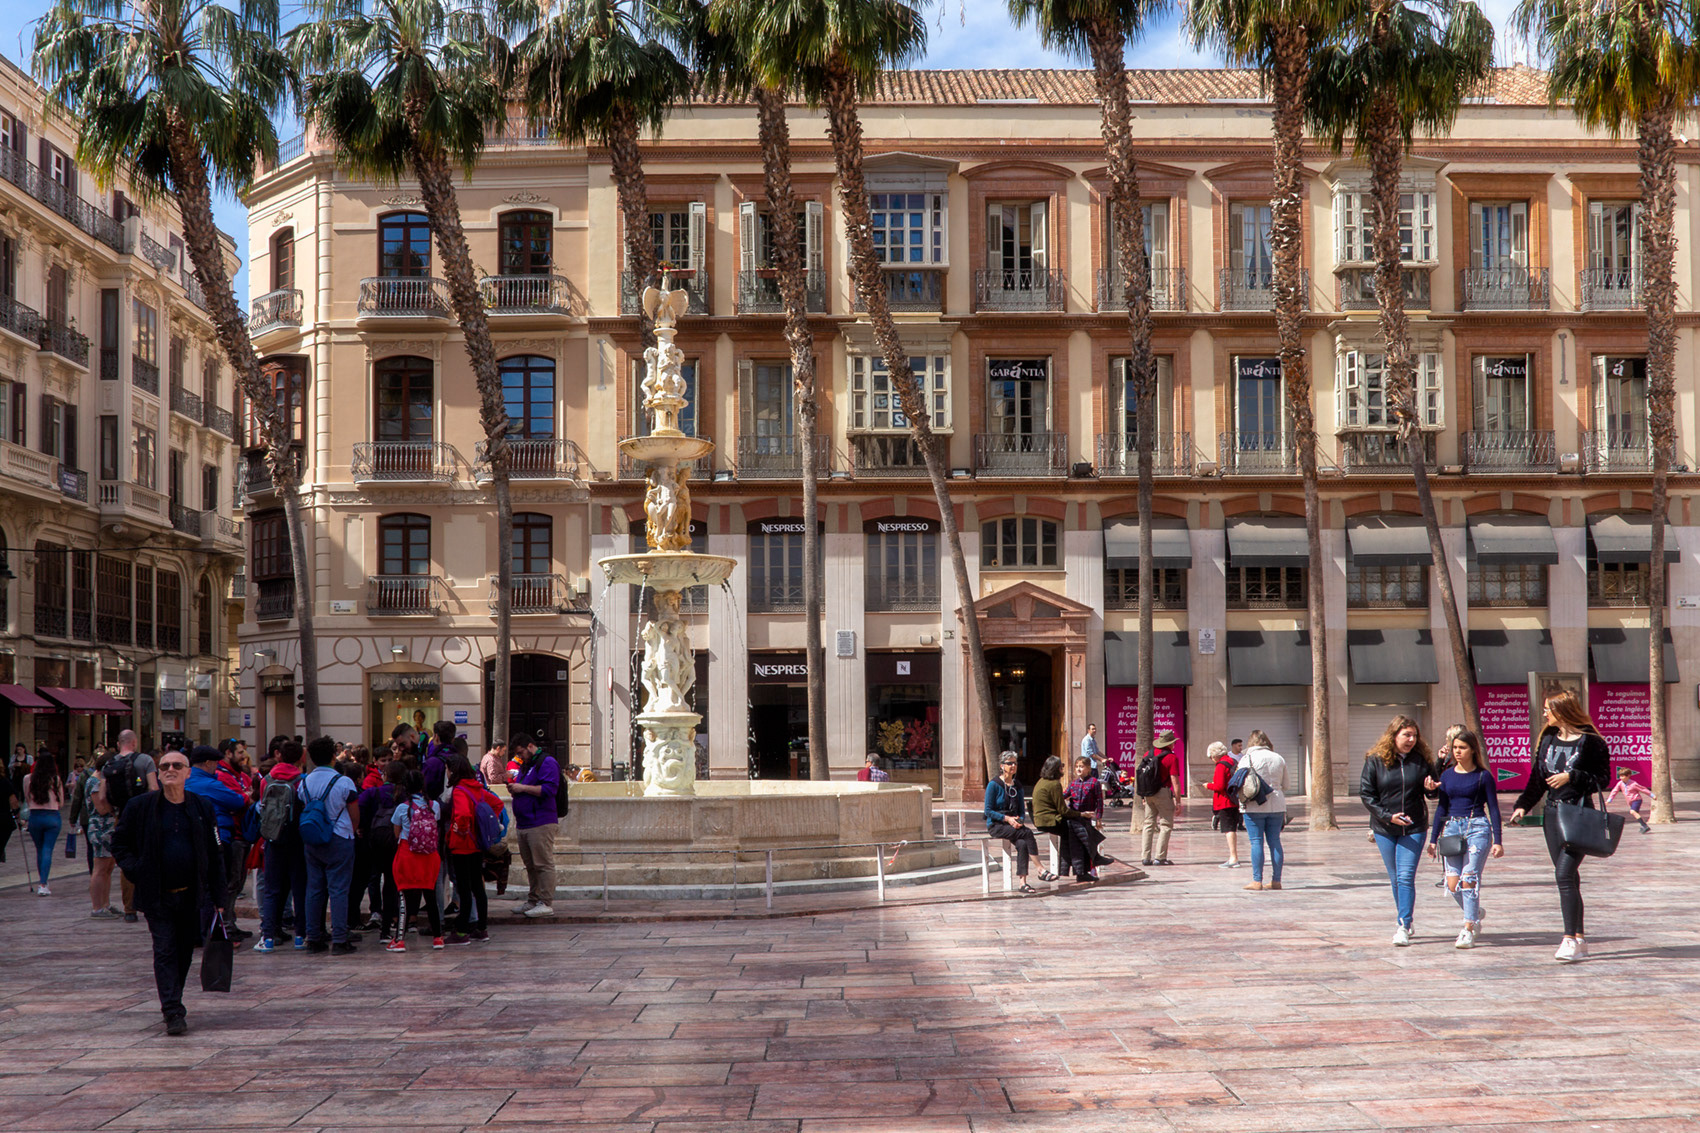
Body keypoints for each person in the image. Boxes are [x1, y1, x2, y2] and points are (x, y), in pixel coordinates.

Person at [110, 750, 226, 1036]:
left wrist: (220, 898)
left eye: (176, 765)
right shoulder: (140, 807)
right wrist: (137, 870)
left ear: (188, 772)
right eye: (164, 766)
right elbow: (120, 844)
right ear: (158, 773)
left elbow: (214, 853)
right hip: (157, 896)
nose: (170, 769)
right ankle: (172, 1010)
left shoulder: (202, 807)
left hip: (190, 895)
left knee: (184, 952)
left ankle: (174, 998)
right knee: (164, 950)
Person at [1510, 690, 1612, 963]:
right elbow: (1537, 779)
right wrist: (1523, 805)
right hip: (1552, 816)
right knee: (1569, 877)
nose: (1544, 713)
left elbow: (1604, 779)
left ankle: (1568, 939)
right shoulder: (1547, 739)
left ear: (1562, 711)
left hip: (1578, 814)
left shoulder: (1591, 742)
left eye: (1548, 709)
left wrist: (1572, 776)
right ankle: (1579, 938)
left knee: (1564, 874)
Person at [1360, 715, 1436, 946]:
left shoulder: (1421, 761)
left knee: (1405, 876)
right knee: (1395, 878)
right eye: (1406, 735)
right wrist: (1387, 816)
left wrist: (1432, 789)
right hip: (1385, 828)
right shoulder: (1375, 760)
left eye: (1414, 736)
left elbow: (1433, 792)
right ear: (1394, 735)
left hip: (1414, 826)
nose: (1411, 740)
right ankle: (1405, 919)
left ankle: (1403, 924)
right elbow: (1367, 794)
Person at [1426, 728, 1502, 949]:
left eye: (1462, 748)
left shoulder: (1483, 776)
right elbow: (1441, 808)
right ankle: (1475, 912)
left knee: (1469, 878)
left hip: (1477, 827)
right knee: (1452, 884)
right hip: (1451, 828)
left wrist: (1498, 840)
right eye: (1455, 748)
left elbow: (1494, 808)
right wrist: (1433, 839)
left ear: (1473, 750)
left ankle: (1468, 928)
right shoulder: (1447, 776)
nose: (1457, 752)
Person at [298, 736, 361, 954]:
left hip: (313, 838)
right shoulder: (344, 782)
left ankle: (313, 937)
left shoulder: (304, 782)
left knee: (314, 888)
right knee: (339, 889)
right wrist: (351, 831)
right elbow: (354, 814)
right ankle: (340, 939)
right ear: (334, 756)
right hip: (339, 837)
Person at [184, 746, 253, 940]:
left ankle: (199, 931)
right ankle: (214, 930)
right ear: (208, 763)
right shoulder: (210, 784)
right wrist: (246, 795)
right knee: (216, 886)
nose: (217, 766)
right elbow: (238, 801)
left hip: (191, 841)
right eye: (215, 763)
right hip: (218, 839)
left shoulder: (186, 781)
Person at [254, 740, 309, 953]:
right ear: (300, 758)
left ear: (279, 755)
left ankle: (268, 937)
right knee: (299, 888)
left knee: (272, 890)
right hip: (296, 839)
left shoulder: (267, 780)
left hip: (272, 838)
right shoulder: (301, 781)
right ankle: (301, 936)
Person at [444, 752, 504, 943]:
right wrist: (482, 827)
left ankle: (462, 931)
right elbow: (497, 803)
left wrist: (460, 829)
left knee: (464, 888)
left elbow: (462, 814)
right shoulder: (476, 788)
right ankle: (481, 928)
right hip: (477, 844)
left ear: (452, 771)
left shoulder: (459, 790)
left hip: (462, 846)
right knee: (478, 887)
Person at [388, 767, 444, 951]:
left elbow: (397, 833)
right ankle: (438, 938)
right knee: (430, 897)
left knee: (404, 898)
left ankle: (399, 940)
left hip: (407, 855)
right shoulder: (434, 806)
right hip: (429, 856)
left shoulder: (402, 808)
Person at [506, 737, 560, 918]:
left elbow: (549, 790)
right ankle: (533, 899)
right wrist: (515, 788)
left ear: (530, 746)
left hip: (540, 821)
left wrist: (522, 788)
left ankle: (546, 902)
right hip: (524, 823)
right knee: (530, 865)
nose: (520, 757)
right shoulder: (526, 765)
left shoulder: (547, 762)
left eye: (521, 752)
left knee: (543, 863)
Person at [107, 731, 157, 921]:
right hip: (144, 817)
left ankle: (129, 909)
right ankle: (150, 903)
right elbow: (153, 788)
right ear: (134, 742)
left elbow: (103, 796)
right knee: (151, 856)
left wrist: (116, 814)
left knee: (126, 862)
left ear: (119, 743)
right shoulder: (145, 760)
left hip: (122, 817)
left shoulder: (109, 764)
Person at [358, 759, 407, 944]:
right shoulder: (405, 795)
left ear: (385, 775)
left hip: (374, 842)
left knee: (372, 878)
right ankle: (389, 927)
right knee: (391, 884)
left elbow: (359, 807)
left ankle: (373, 914)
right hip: (396, 843)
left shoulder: (373, 793)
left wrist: (362, 827)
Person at [1237, 730, 1288, 892]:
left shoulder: (1247, 758)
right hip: (1277, 804)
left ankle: (1257, 880)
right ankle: (1276, 880)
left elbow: (1240, 783)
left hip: (1254, 805)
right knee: (1275, 841)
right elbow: (1286, 784)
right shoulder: (1278, 758)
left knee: (1256, 841)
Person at [984, 751, 1039, 893]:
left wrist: (1019, 821)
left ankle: (1022, 883)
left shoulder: (1018, 786)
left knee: (1022, 844)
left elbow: (1021, 810)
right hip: (997, 825)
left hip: (1014, 826)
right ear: (1002, 766)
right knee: (1027, 833)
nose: (1013, 766)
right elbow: (988, 811)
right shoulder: (993, 785)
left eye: (1015, 763)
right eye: (1009, 763)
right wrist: (1007, 819)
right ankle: (1040, 869)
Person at [1135, 730, 1183, 867]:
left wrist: (1143, 795)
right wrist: (1178, 801)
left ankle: (1145, 857)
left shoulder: (1148, 754)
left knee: (1148, 824)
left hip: (1149, 793)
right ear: (1170, 744)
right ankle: (1160, 858)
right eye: (1173, 743)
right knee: (1166, 824)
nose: (1174, 745)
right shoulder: (1171, 758)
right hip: (1163, 792)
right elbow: (1175, 781)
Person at [84, 753, 121, 918]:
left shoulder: (101, 781)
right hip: (101, 828)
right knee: (100, 868)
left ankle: (106, 904)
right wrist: (115, 807)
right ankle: (97, 907)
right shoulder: (95, 782)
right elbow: (101, 808)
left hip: (109, 828)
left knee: (108, 868)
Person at [1063, 755, 1108, 881]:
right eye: (1077, 766)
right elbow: (1063, 796)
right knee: (1077, 845)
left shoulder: (1094, 783)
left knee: (1089, 842)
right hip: (1074, 818)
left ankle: (1091, 867)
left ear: (1088, 768)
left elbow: (1099, 801)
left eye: (1081, 766)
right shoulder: (1073, 784)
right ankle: (1081, 871)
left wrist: (1099, 818)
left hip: (1087, 818)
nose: (1078, 769)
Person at [25, 753, 64, 895]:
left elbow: (27, 798)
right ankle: (43, 883)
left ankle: (42, 881)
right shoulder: (56, 779)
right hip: (52, 816)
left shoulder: (28, 779)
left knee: (39, 849)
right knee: (48, 849)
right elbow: (61, 802)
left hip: (35, 816)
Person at [1029, 756, 1068, 883]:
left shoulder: (1041, 781)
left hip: (1040, 820)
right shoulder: (1054, 784)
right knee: (1076, 828)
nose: (1063, 769)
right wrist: (1081, 814)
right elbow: (1063, 810)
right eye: (1061, 766)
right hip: (1049, 822)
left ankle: (1069, 866)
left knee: (1074, 828)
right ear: (1057, 769)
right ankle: (1072, 867)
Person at [1204, 741, 1242, 869]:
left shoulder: (1221, 765)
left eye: (1211, 757)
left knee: (1229, 829)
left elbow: (1219, 786)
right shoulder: (1232, 761)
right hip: (1234, 800)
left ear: (1215, 755)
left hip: (1225, 801)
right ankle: (1233, 857)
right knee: (1232, 828)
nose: (1211, 759)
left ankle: (1233, 858)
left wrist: (1208, 785)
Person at [1606, 767, 1652, 834]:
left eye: (1623, 776)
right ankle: (1643, 825)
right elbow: (1614, 791)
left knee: (1632, 811)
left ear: (1628, 776)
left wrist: (1651, 795)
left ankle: (1644, 825)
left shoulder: (1633, 784)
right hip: (1630, 801)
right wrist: (1609, 800)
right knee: (1635, 813)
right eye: (1620, 776)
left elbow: (1642, 789)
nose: (1621, 778)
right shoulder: (1620, 783)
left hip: (1636, 799)